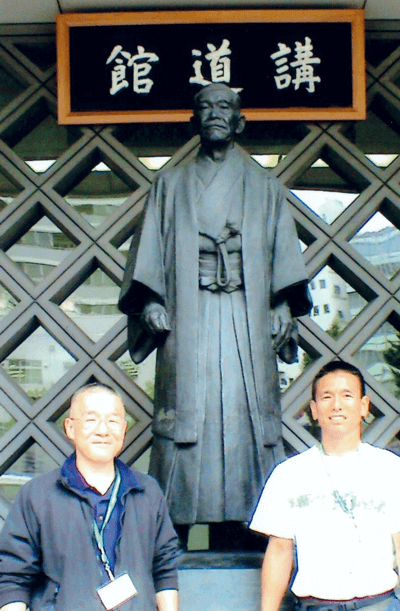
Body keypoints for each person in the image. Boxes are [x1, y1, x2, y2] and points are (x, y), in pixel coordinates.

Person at [118, 83, 312, 538]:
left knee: (248, 416)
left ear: (240, 119)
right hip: (188, 315)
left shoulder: (265, 186)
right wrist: (149, 300)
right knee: (187, 414)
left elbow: (282, 251)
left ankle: (251, 530)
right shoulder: (170, 185)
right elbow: (147, 254)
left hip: (248, 317)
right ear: (195, 120)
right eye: (204, 107)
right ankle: (175, 536)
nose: (214, 114)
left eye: (224, 106)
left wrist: (282, 301)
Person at [0, 384, 179, 611]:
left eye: (113, 421)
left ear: (124, 429)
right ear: (70, 428)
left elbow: (164, 569)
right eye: (91, 420)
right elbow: (13, 578)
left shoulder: (147, 492)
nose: (103, 430)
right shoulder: (37, 495)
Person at [249, 360, 400, 611]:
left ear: (364, 406)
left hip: (379, 604)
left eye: (347, 395)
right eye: (327, 397)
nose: (337, 405)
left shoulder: (391, 469)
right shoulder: (288, 474)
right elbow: (279, 551)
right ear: (314, 410)